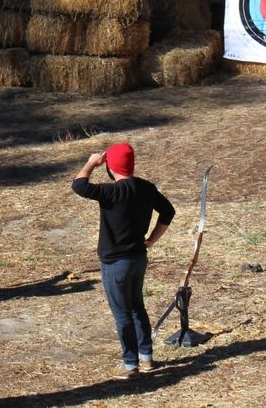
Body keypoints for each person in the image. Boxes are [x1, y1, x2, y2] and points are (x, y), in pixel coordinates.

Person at [71, 143, 175, 379]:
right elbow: (168, 211)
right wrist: (152, 240)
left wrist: (90, 163)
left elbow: (79, 185)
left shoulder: (111, 192)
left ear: (110, 166)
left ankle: (130, 365)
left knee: (122, 315)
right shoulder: (146, 188)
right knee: (137, 307)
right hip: (138, 258)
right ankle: (146, 358)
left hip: (115, 263)